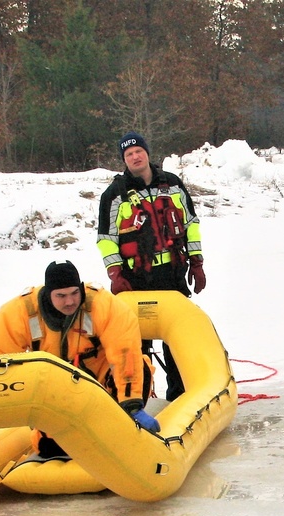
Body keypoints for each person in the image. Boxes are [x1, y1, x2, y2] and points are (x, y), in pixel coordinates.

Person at [0, 261, 160, 456]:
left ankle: (121, 426)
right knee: (49, 449)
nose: (69, 301)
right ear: (48, 293)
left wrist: (132, 404)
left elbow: (125, 353)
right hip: (58, 390)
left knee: (137, 375)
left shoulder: (102, 305)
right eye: (61, 296)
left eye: (74, 293)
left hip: (102, 384)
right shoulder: (21, 311)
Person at [97, 131, 204, 401]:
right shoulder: (114, 195)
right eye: (129, 154)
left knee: (175, 339)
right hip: (136, 278)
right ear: (124, 159)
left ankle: (179, 397)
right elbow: (106, 239)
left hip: (172, 274)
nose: (135, 156)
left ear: (147, 153)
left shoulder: (173, 184)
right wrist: (115, 273)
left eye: (138, 151)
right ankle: (136, 398)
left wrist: (197, 262)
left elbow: (190, 225)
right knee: (136, 342)